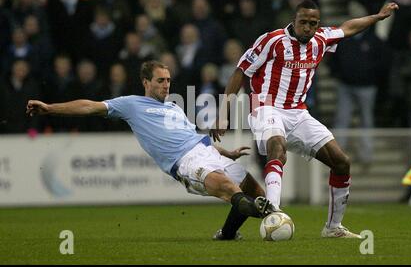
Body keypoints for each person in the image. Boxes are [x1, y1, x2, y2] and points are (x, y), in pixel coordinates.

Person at [210, 0, 399, 238]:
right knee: (277, 148)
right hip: (265, 105)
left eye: (313, 23)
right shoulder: (272, 40)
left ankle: (333, 228)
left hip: (298, 112)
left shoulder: (321, 39)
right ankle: (274, 212)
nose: (308, 28)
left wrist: (378, 16)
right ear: (293, 20)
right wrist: (223, 112)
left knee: (341, 162)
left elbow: (349, 27)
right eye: (303, 22)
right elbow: (241, 71)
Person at [27, 60, 275, 240]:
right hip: (186, 163)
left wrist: (226, 152)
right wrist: (50, 108)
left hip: (207, 152)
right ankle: (272, 218)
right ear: (146, 82)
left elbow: (195, 137)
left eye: (168, 80)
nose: (166, 85)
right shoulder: (131, 104)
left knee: (255, 189)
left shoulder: (175, 109)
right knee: (229, 188)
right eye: (160, 81)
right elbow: (88, 106)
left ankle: (228, 234)